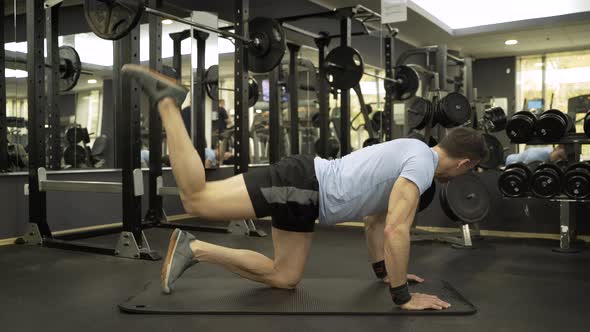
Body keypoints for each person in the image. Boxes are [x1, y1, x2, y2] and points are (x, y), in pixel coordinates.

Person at [122, 64, 488, 311]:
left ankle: (194, 248)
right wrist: (403, 296)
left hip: (304, 188)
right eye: (467, 173)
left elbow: (376, 222)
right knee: (197, 200)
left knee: (282, 275)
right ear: (465, 164)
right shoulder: (422, 164)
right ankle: (169, 103)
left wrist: (385, 272)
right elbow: (396, 228)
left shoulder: (412, 150)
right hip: (303, 187)